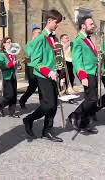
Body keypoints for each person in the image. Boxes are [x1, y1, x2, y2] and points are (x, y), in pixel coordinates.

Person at [22, 9, 64, 142]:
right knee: (48, 105)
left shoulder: (54, 37)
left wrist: (61, 75)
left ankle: (47, 131)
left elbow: (56, 58)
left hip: (54, 75)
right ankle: (29, 119)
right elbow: (35, 61)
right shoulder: (41, 38)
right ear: (50, 21)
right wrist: (49, 72)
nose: (57, 25)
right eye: (56, 23)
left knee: (54, 104)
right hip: (43, 75)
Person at [67, 15, 99, 134]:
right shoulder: (78, 40)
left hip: (93, 71)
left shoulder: (88, 38)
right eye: (91, 24)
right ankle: (74, 115)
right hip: (86, 73)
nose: (93, 26)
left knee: (90, 99)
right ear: (83, 26)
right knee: (92, 98)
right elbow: (77, 60)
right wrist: (83, 76)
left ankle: (83, 124)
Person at [19, 27, 41, 109]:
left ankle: (43, 103)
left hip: (40, 67)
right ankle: (22, 100)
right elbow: (30, 54)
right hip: (31, 67)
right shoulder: (29, 44)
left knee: (41, 86)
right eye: (38, 33)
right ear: (33, 34)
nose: (40, 34)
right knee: (32, 87)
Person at [0, 37, 19, 117]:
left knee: (14, 95)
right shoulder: (2, 54)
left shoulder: (13, 53)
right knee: (9, 95)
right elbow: (1, 65)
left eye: (11, 42)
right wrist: (11, 64)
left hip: (13, 76)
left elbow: (15, 64)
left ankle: (12, 112)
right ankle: (0, 106)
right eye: (8, 42)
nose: (10, 43)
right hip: (6, 77)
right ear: (4, 44)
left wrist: (18, 66)